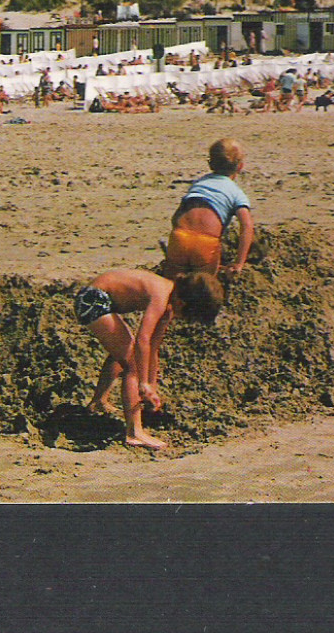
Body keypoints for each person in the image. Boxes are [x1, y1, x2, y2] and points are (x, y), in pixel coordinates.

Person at [76, 267, 225, 450]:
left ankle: (99, 402)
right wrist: (143, 383)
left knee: (122, 353)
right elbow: (143, 340)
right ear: (182, 301)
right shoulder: (162, 294)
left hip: (100, 300)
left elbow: (153, 347)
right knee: (132, 362)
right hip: (92, 300)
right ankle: (134, 432)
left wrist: (152, 385)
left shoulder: (170, 304)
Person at [162, 138, 254, 278]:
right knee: (203, 287)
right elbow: (247, 226)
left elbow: (177, 215)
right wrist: (238, 263)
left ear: (210, 164)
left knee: (173, 286)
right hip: (206, 243)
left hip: (180, 236)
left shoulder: (199, 184)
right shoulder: (236, 193)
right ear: (240, 167)